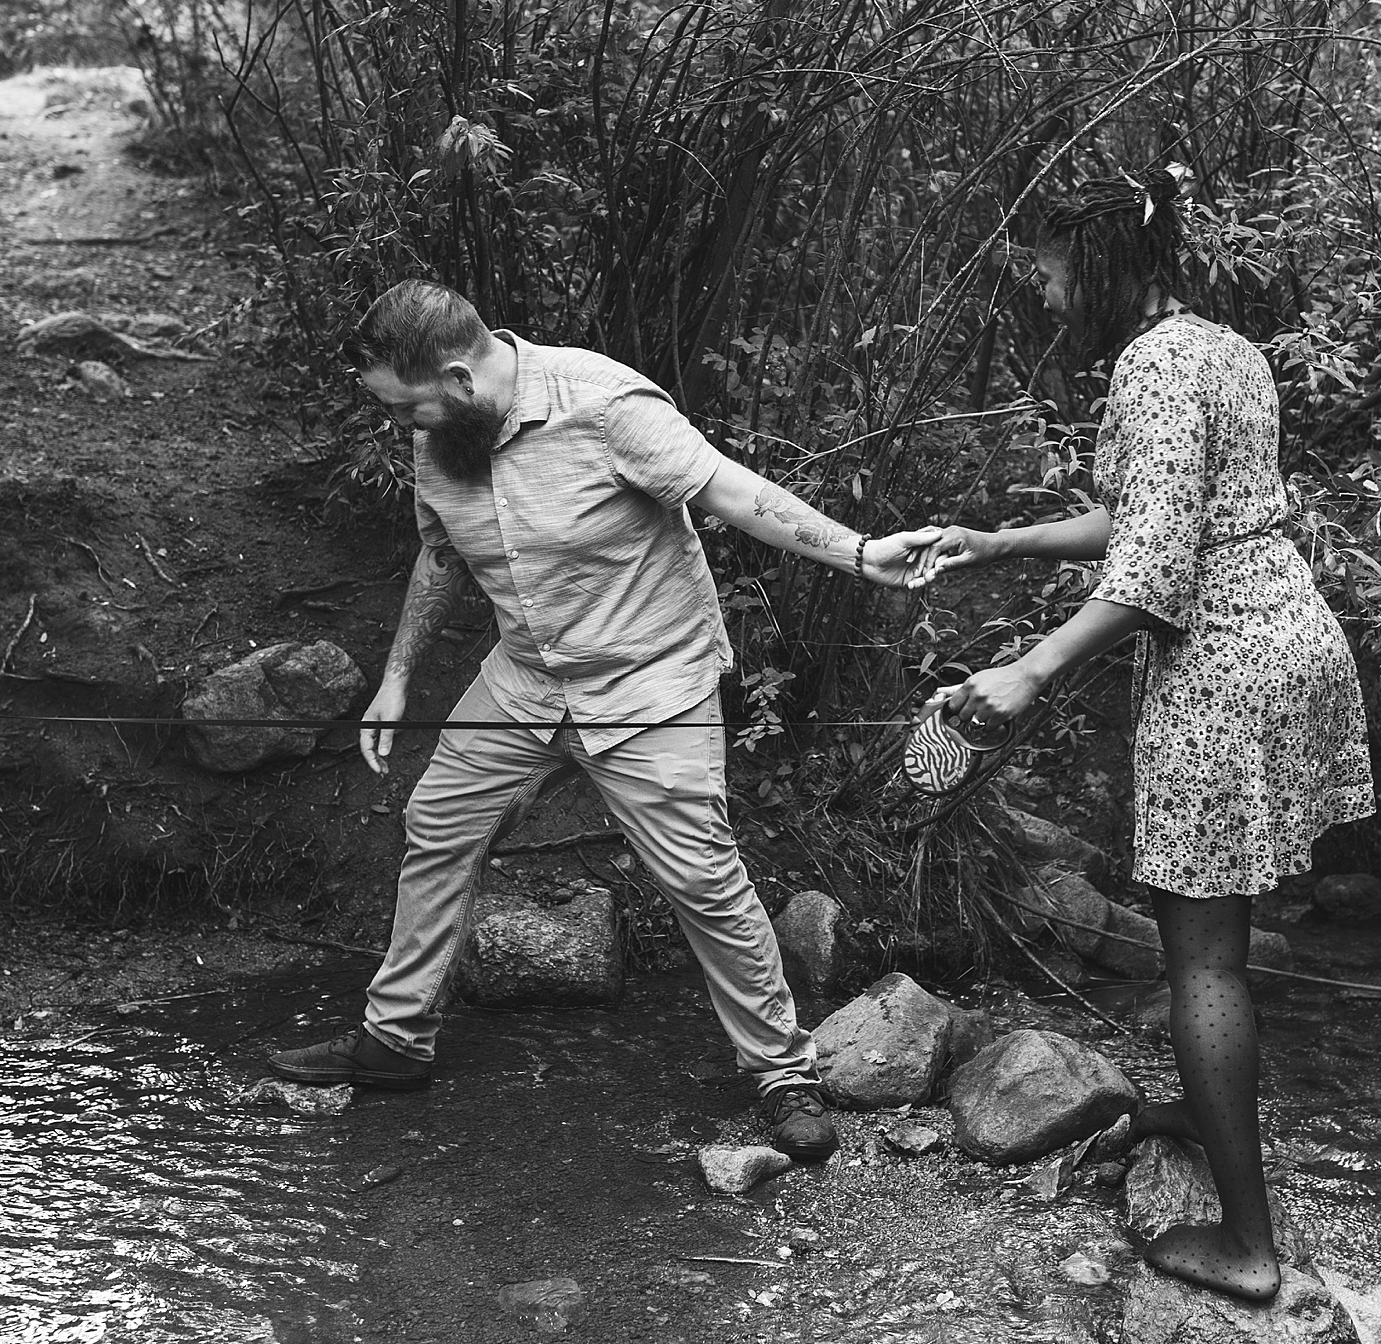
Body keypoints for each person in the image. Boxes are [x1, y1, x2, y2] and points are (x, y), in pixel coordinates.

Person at [267, 280, 939, 1160]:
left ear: (461, 378)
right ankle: (394, 1043)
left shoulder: (604, 404)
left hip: (652, 685)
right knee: (437, 823)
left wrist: (857, 552)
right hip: (526, 681)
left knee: (701, 879)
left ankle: (782, 1070)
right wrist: (397, 677)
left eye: (411, 409)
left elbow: (732, 493)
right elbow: (440, 554)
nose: (407, 429)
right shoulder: (447, 438)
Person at [911, 168, 1374, 1300]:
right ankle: (1200, 1114)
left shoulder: (1151, 363)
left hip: (1222, 667)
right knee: (1220, 915)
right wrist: (999, 539)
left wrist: (1028, 668)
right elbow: (1146, 512)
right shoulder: (1225, 345)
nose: (1053, 292)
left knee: (1201, 951)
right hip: (1288, 642)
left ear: (1100, 257)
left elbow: (1156, 564)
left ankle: (1245, 1244)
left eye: (1056, 270)